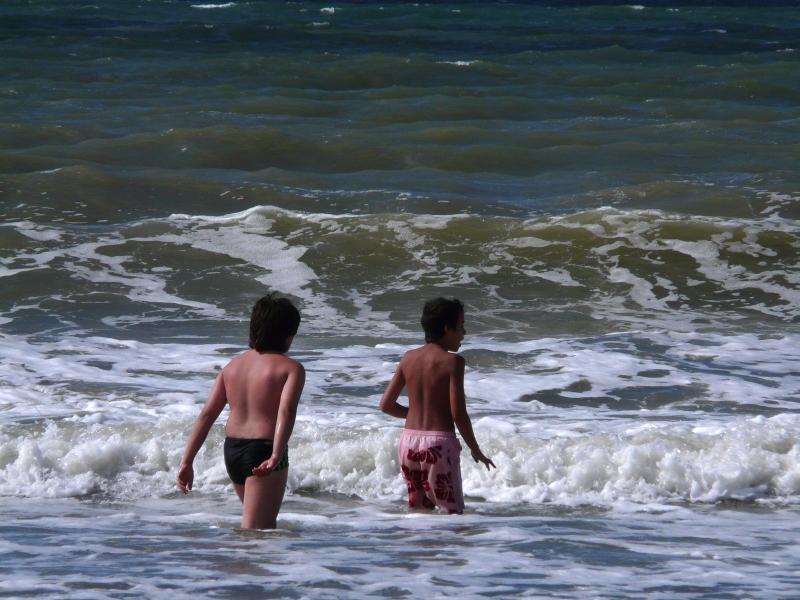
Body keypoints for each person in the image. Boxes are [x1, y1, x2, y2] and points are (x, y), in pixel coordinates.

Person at [177, 293, 305, 529]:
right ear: (288, 334)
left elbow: (206, 415)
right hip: (264, 451)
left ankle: (239, 564)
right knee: (257, 533)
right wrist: (276, 456)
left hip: (233, 451)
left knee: (255, 530)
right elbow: (286, 412)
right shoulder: (291, 368)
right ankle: (232, 565)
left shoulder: (232, 367)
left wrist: (187, 461)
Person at [380, 297, 495, 514]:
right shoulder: (453, 362)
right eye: (460, 327)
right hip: (438, 445)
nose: (464, 333)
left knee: (419, 511)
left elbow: (386, 405)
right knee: (451, 513)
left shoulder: (408, 358)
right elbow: (458, 413)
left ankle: (421, 547)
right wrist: (475, 449)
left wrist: (414, 413)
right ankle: (447, 548)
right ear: (446, 328)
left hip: (409, 443)